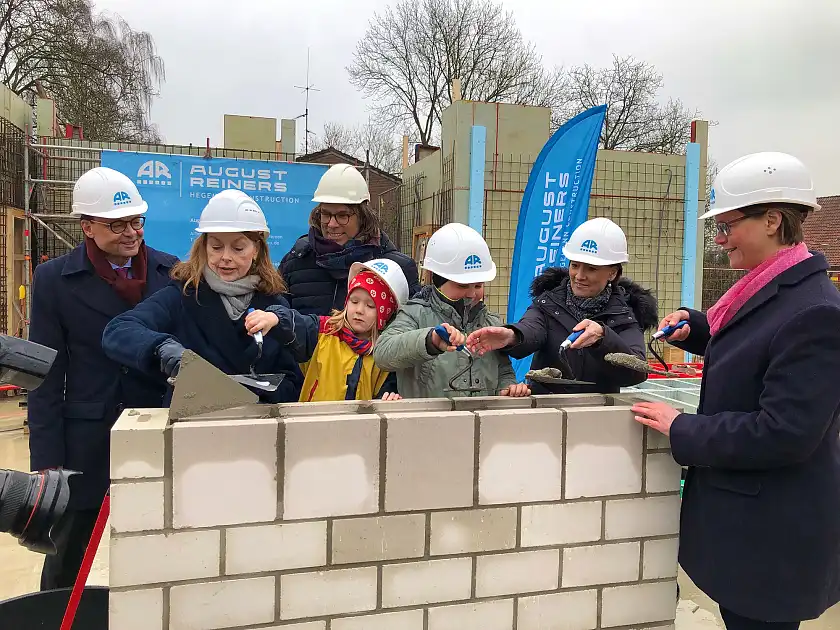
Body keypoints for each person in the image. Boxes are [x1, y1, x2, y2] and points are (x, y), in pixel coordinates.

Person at [631, 152, 840, 630]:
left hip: (773, 540)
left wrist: (683, 428)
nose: (720, 240)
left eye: (727, 226)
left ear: (772, 220)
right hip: (750, 531)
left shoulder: (817, 313)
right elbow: (761, 354)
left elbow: (784, 432)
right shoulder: (775, 290)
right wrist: (700, 331)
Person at [27, 166, 177, 590]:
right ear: (87, 226)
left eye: (136, 221)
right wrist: (47, 465)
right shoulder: (54, 281)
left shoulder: (173, 273)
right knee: (67, 562)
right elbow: (45, 374)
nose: (131, 232)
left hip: (154, 435)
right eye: (117, 224)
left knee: (153, 552)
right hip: (87, 443)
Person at [102, 190, 303, 404]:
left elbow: (291, 380)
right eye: (216, 247)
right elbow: (119, 330)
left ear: (256, 250)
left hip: (254, 426)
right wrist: (162, 347)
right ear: (204, 247)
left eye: (238, 248)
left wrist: (257, 392)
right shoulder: (183, 295)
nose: (225, 257)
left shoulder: (274, 304)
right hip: (191, 426)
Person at [467, 217, 658, 394]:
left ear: (612, 273)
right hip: (548, 412)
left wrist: (603, 338)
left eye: (591, 268)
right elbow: (532, 328)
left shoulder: (625, 314)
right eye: (575, 265)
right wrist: (512, 335)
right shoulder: (549, 302)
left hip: (599, 416)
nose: (579, 276)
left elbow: (635, 372)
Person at [373, 222, 530, 398]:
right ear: (438, 280)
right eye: (462, 285)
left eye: (478, 285)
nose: (472, 294)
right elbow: (383, 353)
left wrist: (508, 387)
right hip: (429, 423)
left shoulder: (491, 322)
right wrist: (430, 340)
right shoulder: (415, 313)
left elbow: (503, 369)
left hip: (482, 422)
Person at [256, 258, 407, 402]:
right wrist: (276, 317)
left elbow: (388, 392)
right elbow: (297, 323)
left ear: (384, 313)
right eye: (354, 301)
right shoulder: (324, 332)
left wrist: (389, 399)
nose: (359, 310)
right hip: (313, 423)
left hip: (360, 427)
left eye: (370, 306)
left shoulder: (385, 356)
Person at [279, 163, 420, 315]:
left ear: (363, 217)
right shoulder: (295, 262)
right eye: (325, 214)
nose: (331, 224)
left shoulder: (397, 269)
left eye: (342, 216)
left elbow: (408, 329)